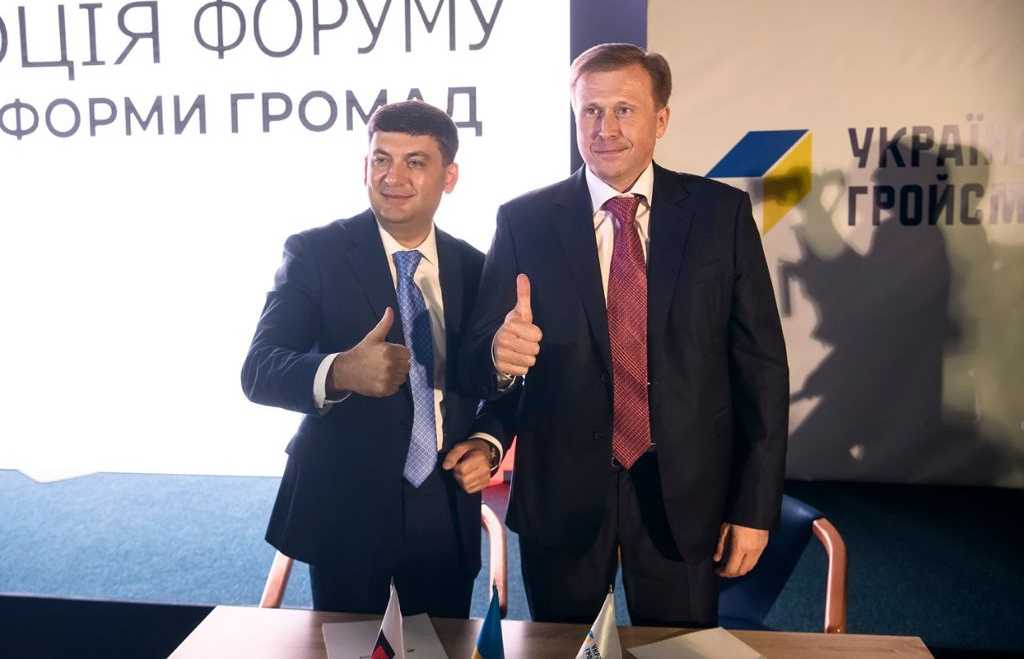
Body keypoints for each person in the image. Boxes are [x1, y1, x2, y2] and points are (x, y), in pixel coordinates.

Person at [458, 44, 789, 627]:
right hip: (561, 496)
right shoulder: (523, 221)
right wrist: (498, 356)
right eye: (590, 111)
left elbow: (761, 369)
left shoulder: (723, 216)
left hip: (687, 496)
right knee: (563, 650)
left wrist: (755, 508)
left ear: (661, 119)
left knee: (678, 651)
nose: (605, 129)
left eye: (624, 110)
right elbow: (481, 362)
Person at [241, 100, 502, 617]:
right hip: (347, 510)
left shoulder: (476, 269)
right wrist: (340, 371)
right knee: (350, 649)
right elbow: (260, 369)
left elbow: (497, 381)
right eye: (381, 159)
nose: (393, 177)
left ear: (449, 177)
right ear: (365, 166)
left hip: (445, 507)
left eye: (415, 162)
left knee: (439, 649)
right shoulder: (315, 253)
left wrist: (487, 442)